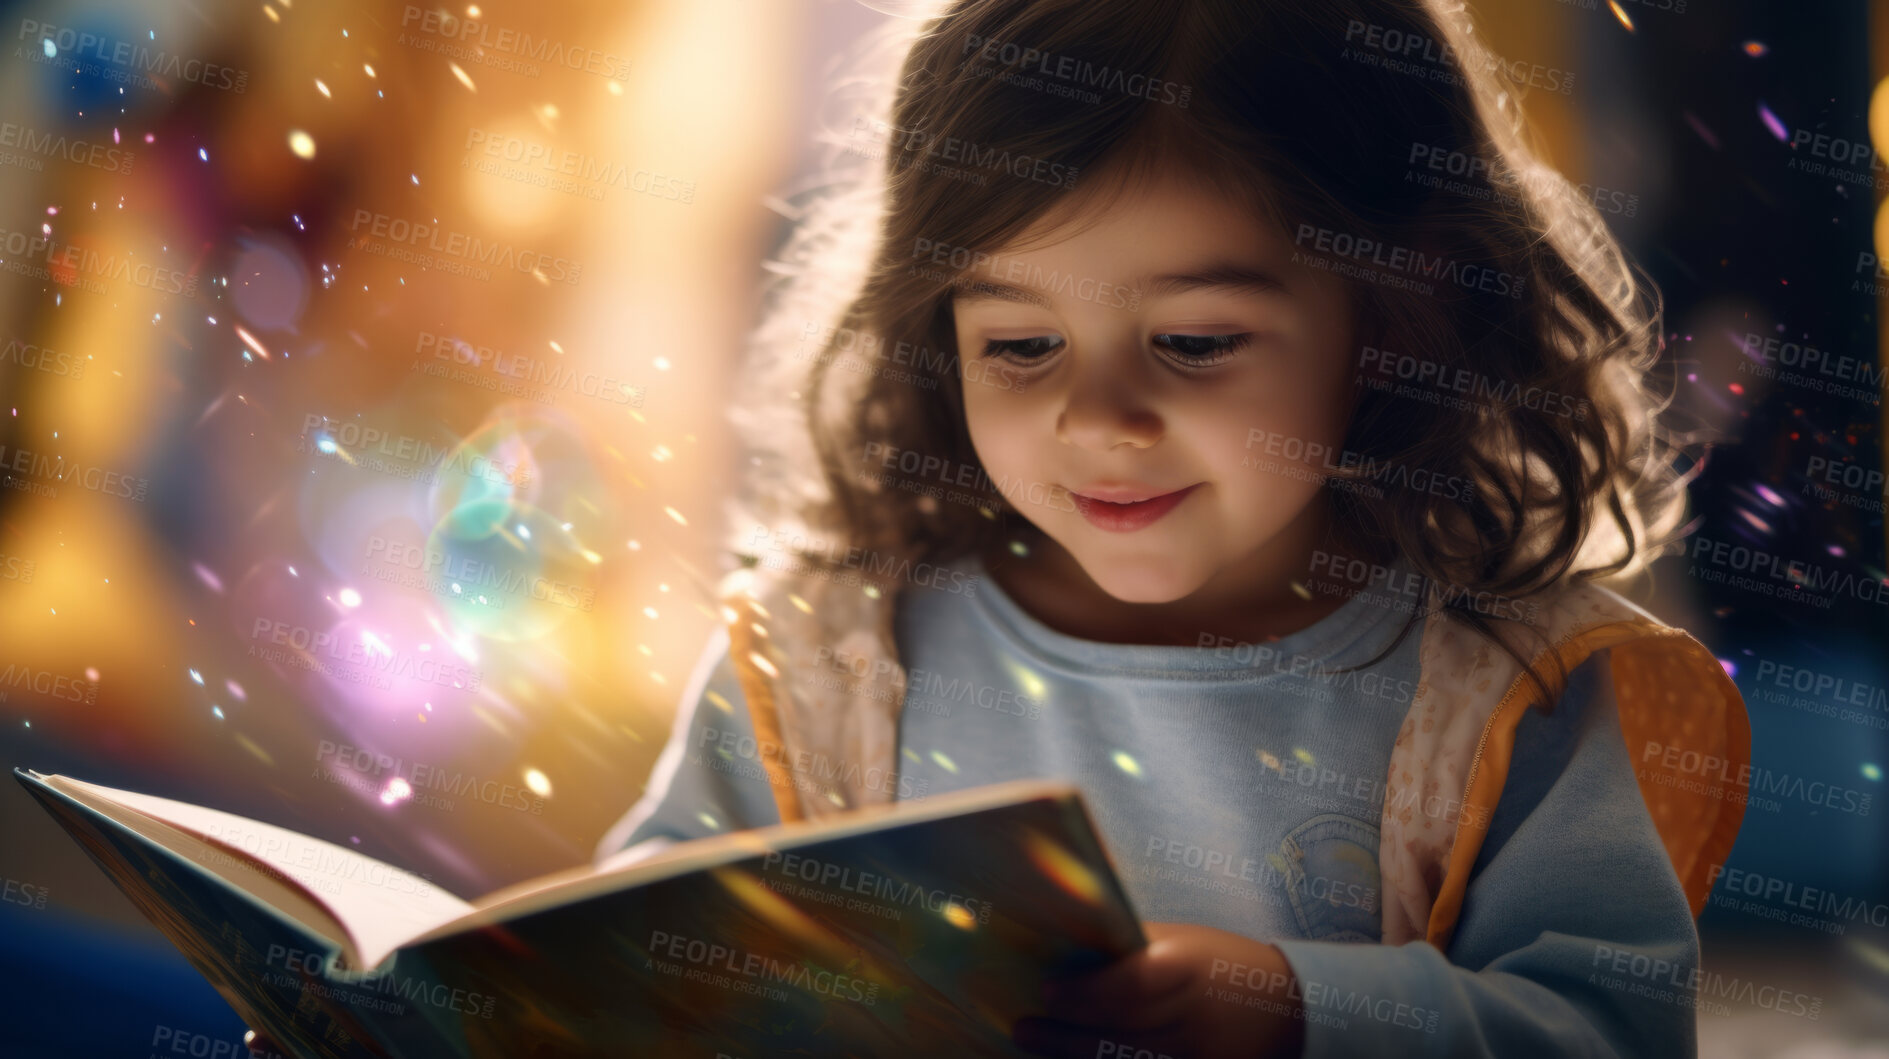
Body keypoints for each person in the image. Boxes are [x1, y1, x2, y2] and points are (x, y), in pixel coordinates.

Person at [593, 1, 1751, 1057]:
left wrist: (1293, 1005)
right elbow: (646, 949)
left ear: (1411, 297)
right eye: (1017, 346)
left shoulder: (1514, 691)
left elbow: (1607, 1034)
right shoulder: (816, 663)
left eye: (1194, 343)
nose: (1096, 420)